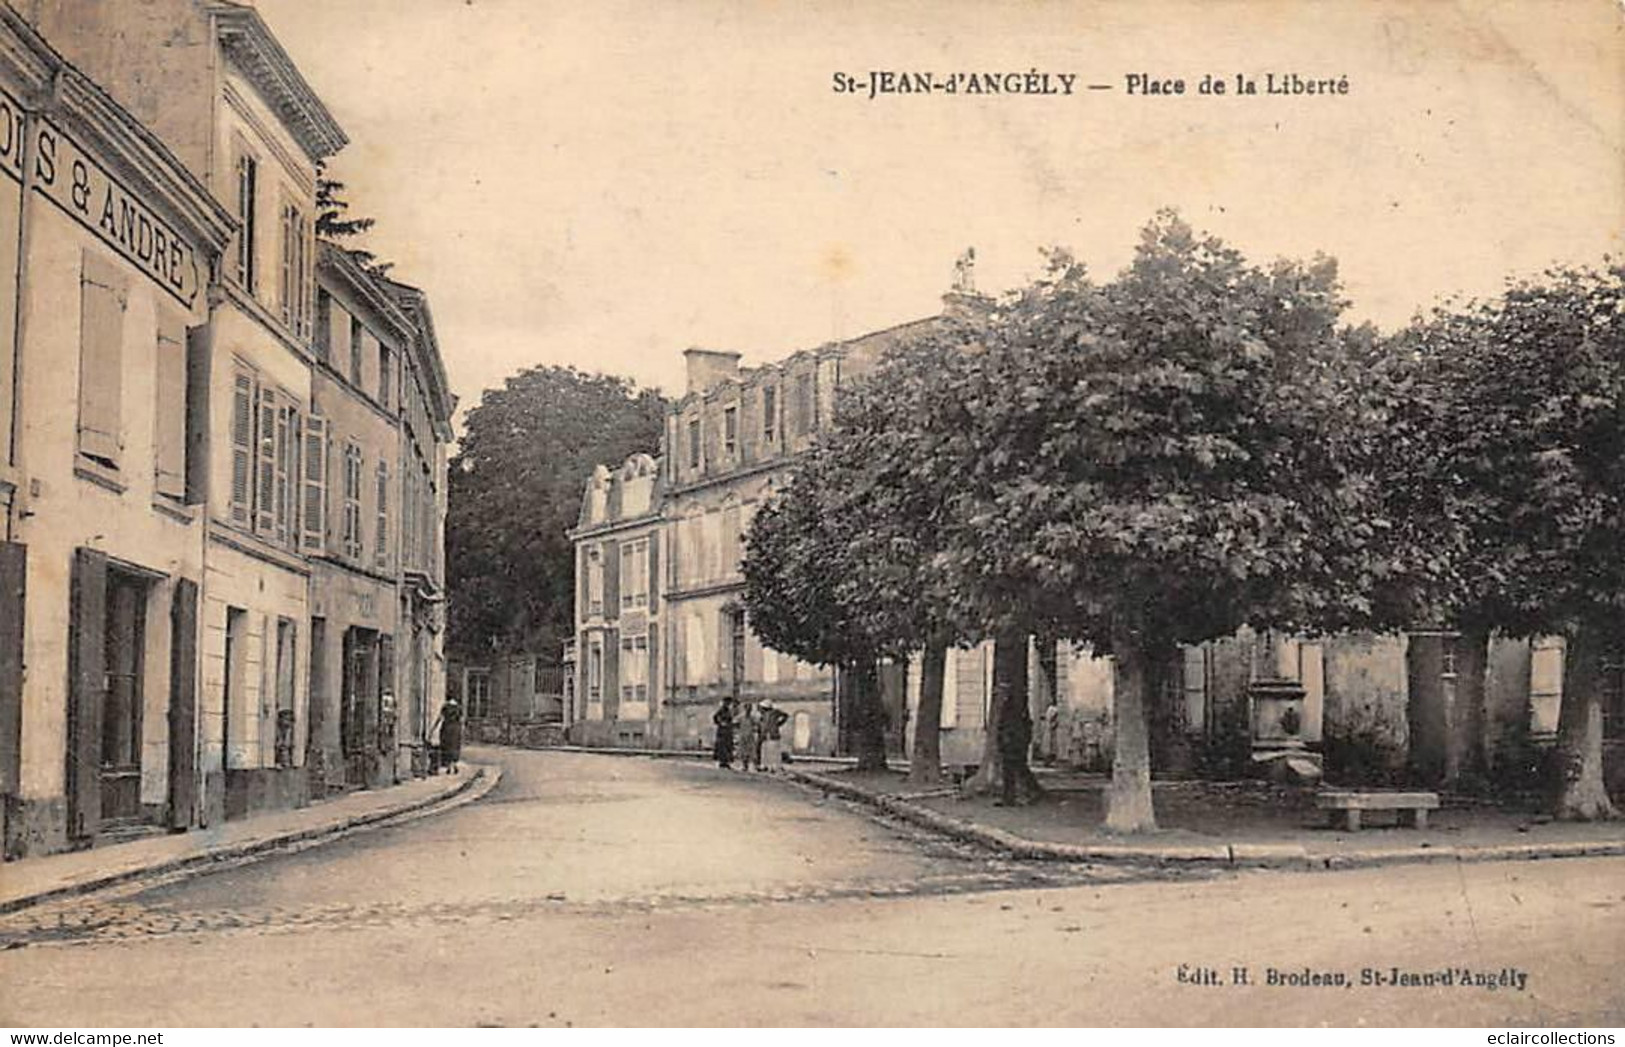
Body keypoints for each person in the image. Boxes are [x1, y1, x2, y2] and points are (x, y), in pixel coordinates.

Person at [434, 697, 464, 775]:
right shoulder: (459, 708)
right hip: (456, 729)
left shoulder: (445, 707)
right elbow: (461, 720)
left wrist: (434, 727)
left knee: (447, 746)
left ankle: (449, 766)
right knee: (455, 747)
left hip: (447, 728)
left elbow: (440, 717)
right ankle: (453, 765)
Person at [758, 699, 789, 771]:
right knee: (765, 750)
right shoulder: (763, 715)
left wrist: (779, 723)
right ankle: (765, 765)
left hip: (773, 734)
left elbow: (785, 715)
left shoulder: (775, 712)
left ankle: (775, 766)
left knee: (774, 750)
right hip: (766, 735)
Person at [712, 697, 737, 769]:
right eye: (727, 703)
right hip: (722, 731)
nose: (728, 704)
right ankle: (722, 762)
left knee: (727, 746)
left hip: (728, 731)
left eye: (729, 703)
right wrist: (720, 723)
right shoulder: (721, 710)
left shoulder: (728, 711)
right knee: (722, 746)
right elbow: (715, 717)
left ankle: (726, 762)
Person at [738, 701, 762, 771]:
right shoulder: (741, 717)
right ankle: (743, 765)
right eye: (747, 708)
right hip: (742, 735)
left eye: (749, 708)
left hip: (750, 735)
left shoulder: (753, 717)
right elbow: (734, 722)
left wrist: (756, 729)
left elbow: (758, 724)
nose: (748, 710)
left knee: (751, 750)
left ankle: (751, 765)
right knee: (743, 750)